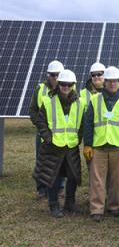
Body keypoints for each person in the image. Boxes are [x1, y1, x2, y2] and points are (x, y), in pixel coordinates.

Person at [83, 66, 119, 222]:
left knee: (116, 180)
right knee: (97, 180)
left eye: (115, 81)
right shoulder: (95, 100)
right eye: (109, 81)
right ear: (104, 82)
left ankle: (114, 206)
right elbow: (88, 124)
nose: (112, 84)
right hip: (99, 146)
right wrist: (88, 144)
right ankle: (96, 209)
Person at [34, 70, 84, 217]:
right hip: (53, 147)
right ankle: (53, 204)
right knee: (53, 177)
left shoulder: (79, 104)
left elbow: (81, 125)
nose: (66, 87)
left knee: (73, 176)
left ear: (73, 85)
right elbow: (40, 122)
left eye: (69, 84)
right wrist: (48, 139)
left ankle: (69, 203)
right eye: (63, 84)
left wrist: (78, 138)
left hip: (71, 146)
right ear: (58, 85)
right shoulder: (49, 102)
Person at [30, 60, 64, 199]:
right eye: (52, 75)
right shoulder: (40, 89)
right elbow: (33, 110)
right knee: (42, 161)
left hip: (61, 134)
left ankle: (60, 187)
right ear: (48, 75)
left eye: (57, 75)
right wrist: (40, 126)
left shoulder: (67, 88)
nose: (55, 78)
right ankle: (42, 189)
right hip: (43, 133)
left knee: (60, 162)